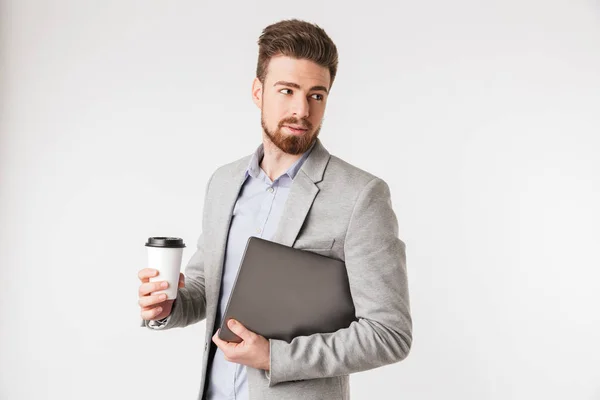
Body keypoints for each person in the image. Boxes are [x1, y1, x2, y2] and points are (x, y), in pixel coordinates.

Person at [138, 18, 412, 400]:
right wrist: (169, 305)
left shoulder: (361, 195)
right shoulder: (223, 183)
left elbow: (389, 334)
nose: (302, 110)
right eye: (287, 90)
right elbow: (206, 289)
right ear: (257, 91)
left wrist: (275, 357)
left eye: (317, 95)